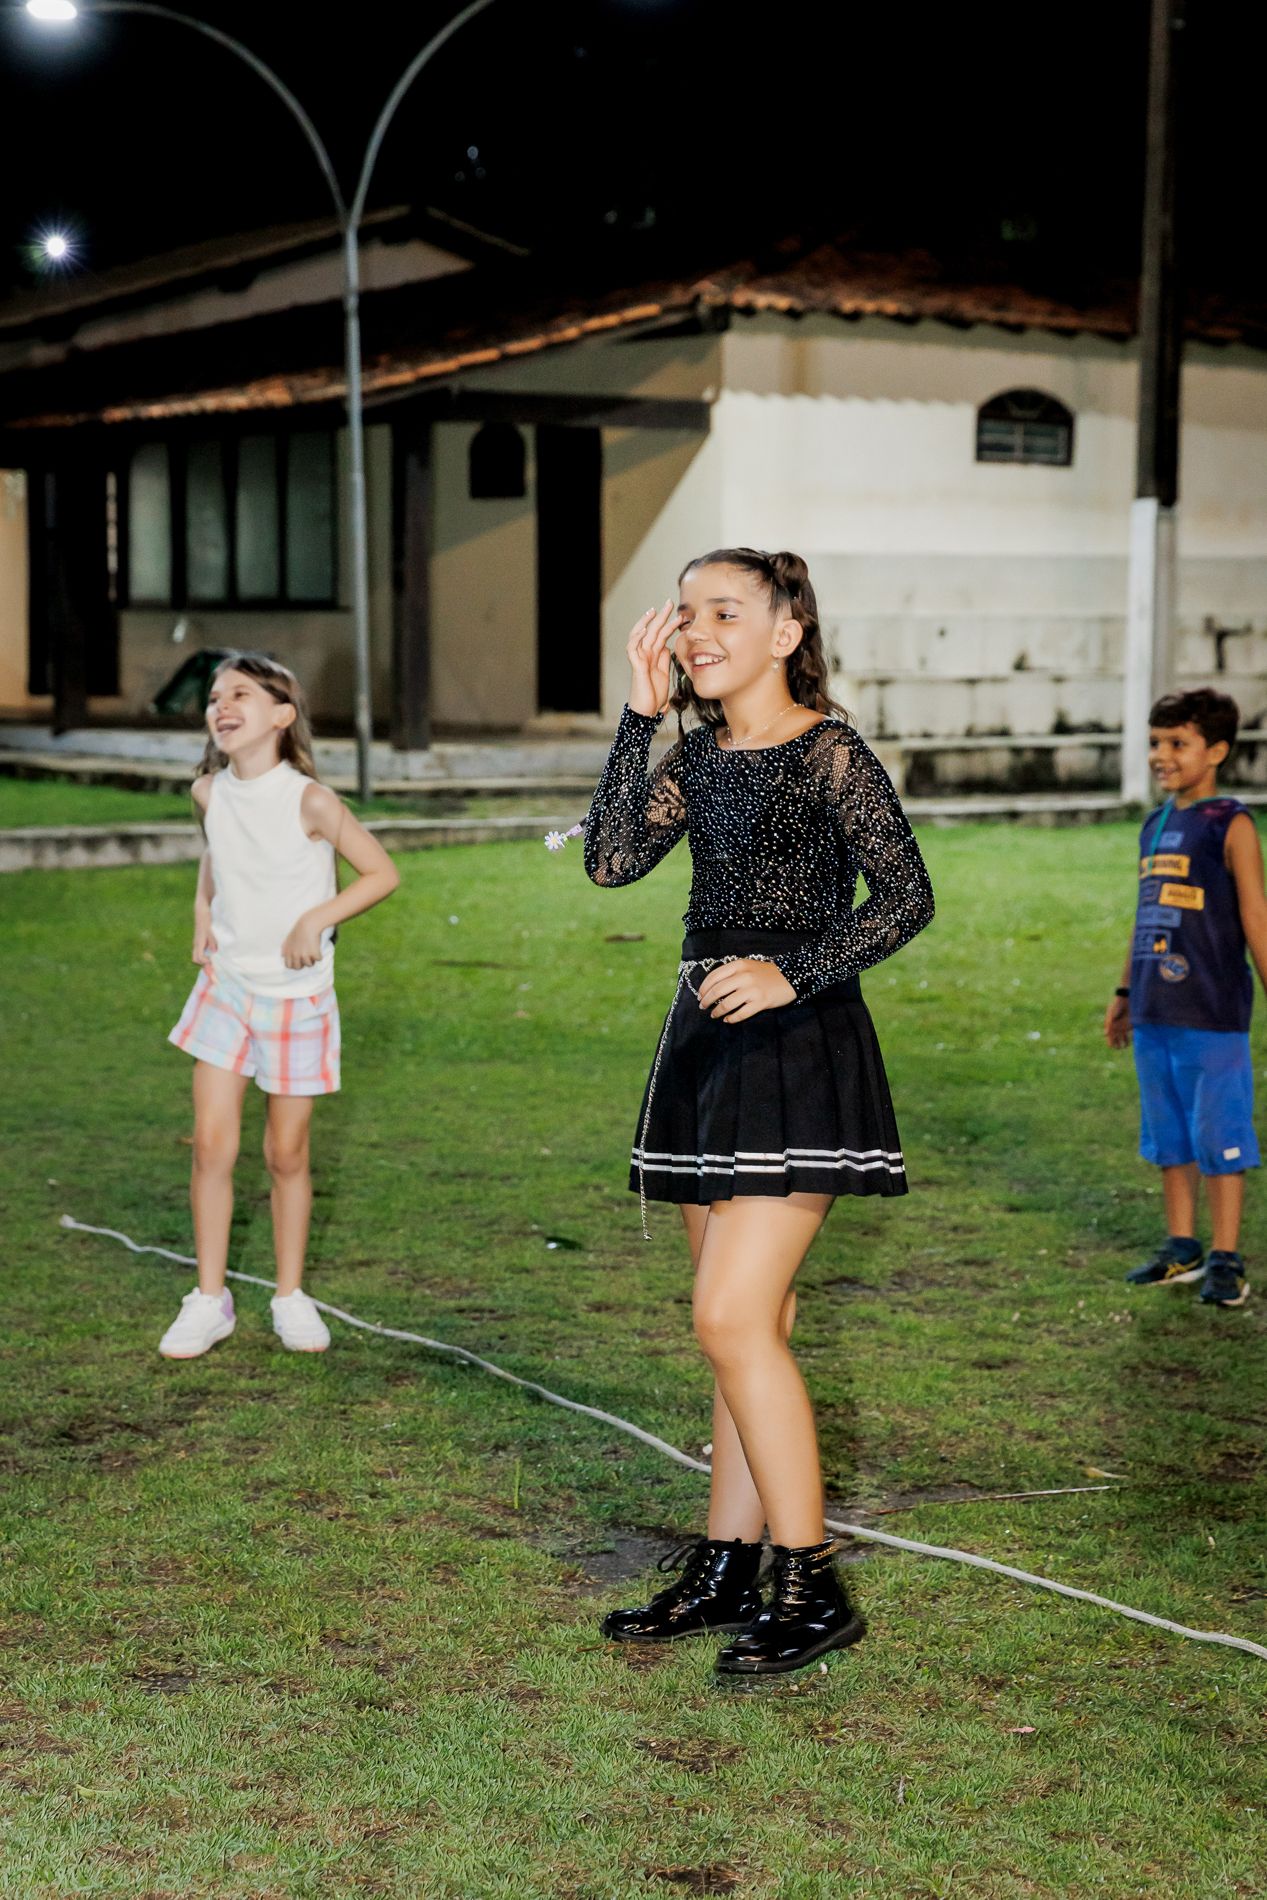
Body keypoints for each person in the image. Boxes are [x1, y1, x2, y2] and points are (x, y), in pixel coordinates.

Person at [582, 548, 934, 1678]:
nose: (696, 631)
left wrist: (794, 971)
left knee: (730, 1318)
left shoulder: (829, 749)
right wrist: (639, 718)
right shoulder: (695, 756)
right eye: (685, 612)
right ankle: (727, 1563)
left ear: (787, 633)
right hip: (704, 1050)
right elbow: (609, 861)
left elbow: (907, 898)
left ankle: (808, 1579)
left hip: (798, 1046)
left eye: (724, 611)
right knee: (744, 1327)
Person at [160, 653, 400, 1359]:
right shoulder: (209, 792)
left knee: (286, 1153)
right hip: (227, 989)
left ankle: (290, 1296)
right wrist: (202, 911)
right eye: (214, 697)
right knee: (212, 1145)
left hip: (297, 1001)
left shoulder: (311, 801)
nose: (221, 706)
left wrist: (315, 920)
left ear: (282, 715)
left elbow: (381, 873)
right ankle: (209, 1300)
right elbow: (217, 854)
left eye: (240, 694)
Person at [1105, 688, 1267, 1309]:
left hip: (1211, 1009)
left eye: (1178, 743)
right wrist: (1124, 992)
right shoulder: (1155, 825)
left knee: (1219, 1133)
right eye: (1155, 742)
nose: (1161, 755)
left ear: (1217, 751)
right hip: (1155, 1009)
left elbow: (1255, 914)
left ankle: (1227, 1256)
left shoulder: (1232, 823)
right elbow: (1144, 913)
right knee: (1168, 1133)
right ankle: (1183, 1248)